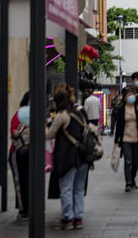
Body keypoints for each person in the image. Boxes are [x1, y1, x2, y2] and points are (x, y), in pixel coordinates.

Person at [46, 89, 91, 231]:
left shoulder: (62, 115)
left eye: (54, 101)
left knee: (66, 188)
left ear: (59, 102)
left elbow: (49, 134)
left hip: (69, 157)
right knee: (78, 188)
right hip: (83, 156)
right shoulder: (79, 112)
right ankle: (79, 218)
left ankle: (68, 217)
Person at [113, 86, 138, 192]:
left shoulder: (137, 108)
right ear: (124, 98)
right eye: (129, 95)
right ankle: (128, 183)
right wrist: (116, 141)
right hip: (126, 139)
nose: (131, 97)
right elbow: (119, 126)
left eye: (132, 95)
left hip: (137, 139)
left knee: (135, 162)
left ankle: (132, 180)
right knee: (128, 161)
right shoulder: (121, 110)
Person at [9, 92, 30, 221]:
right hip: (19, 153)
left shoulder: (35, 115)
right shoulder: (19, 115)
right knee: (21, 182)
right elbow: (13, 132)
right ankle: (23, 210)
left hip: (30, 153)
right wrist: (21, 130)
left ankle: (28, 207)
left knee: (28, 182)